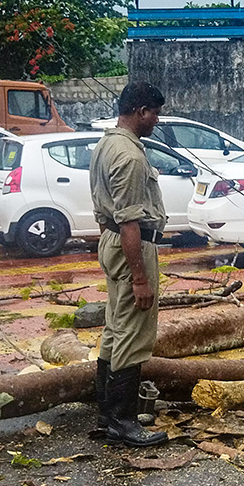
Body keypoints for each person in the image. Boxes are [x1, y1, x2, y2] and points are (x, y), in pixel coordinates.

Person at [88, 82, 169, 448]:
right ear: (141, 111)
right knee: (132, 335)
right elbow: (130, 222)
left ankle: (108, 416)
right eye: (155, 114)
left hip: (111, 241)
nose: (157, 121)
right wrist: (140, 278)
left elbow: (106, 213)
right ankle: (123, 422)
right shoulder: (130, 157)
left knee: (115, 328)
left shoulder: (106, 145)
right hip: (131, 246)